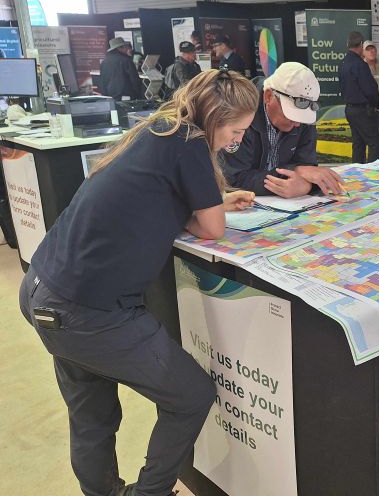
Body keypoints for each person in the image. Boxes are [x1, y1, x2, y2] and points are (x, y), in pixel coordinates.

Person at [18, 69, 260, 496]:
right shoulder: (190, 142)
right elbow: (212, 229)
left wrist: (216, 201)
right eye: (235, 132)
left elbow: (155, 202)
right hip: (88, 312)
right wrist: (214, 209)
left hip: (44, 289)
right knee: (190, 395)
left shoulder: (159, 128)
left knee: (92, 416)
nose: (235, 142)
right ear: (214, 118)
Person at [223, 61, 344, 197]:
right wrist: (295, 173)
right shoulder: (240, 113)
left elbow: (308, 167)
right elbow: (233, 178)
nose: (297, 124)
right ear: (268, 96)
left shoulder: (304, 119)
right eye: (290, 115)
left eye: (302, 118)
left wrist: (307, 184)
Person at [339, 31, 379, 163]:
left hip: (350, 109)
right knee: (374, 143)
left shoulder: (343, 63)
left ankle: (356, 172)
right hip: (362, 110)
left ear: (347, 44)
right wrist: (377, 105)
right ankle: (373, 173)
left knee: (358, 143)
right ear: (361, 44)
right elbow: (370, 90)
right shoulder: (360, 65)